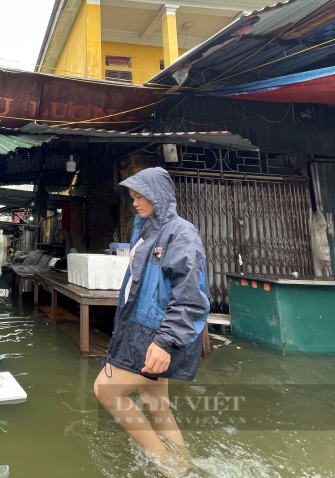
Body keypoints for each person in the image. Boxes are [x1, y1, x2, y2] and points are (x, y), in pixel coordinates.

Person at [94, 167, 209, 474]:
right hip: (141, 328)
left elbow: (190, 296)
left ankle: (162, 462)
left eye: (140, 195)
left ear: (159, 195)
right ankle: (182, 463)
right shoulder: (146, 231)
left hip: (157, 334)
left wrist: (165, 342)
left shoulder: (181, 233)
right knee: (153, 400)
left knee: (105, 390)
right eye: (132, 197)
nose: (135, 202)